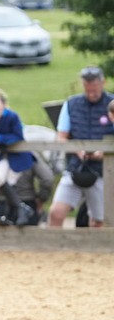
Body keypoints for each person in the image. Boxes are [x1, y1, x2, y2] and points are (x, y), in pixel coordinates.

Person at [47, 65, 114, 228]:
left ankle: (97, 252)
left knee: (99, 220)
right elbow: (61, 136)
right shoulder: (71, 104)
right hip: (76, 167)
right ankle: (53, 249)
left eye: (94, 88)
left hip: (104, 170)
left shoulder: (112, 104)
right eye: (87, 88)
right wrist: (78, 150)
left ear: (102, 83)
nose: (91, 92)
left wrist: (103, 153)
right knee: (56, 212)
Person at [0, 87, 35, 226]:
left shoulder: (12, 116)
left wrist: (0, 138)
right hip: (4, 155)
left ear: (3, 105)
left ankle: (9, 215)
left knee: (9, 184)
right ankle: (22, 208)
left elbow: (18, 136)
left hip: (18, 156)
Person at [0, 149, 55, 226]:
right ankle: (22, 208)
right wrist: (41, 199)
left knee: (3, 237)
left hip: (2, 202)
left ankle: (20, 208)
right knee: (28, 237)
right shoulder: (30, 155)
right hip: (27, 200)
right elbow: (47, 179)